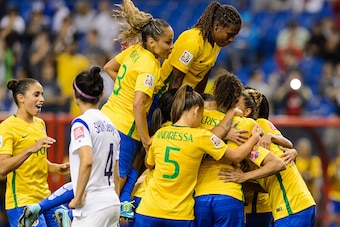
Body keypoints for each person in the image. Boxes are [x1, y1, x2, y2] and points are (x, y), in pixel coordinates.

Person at [134, 84, 263, 226]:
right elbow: (236, 156)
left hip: (149, 209)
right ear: (196, 111)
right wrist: (255, 138)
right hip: (179, 214)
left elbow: (149, 163)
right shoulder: (201, 136)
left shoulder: (160, 134)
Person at [100, 0, 174, 219]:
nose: (171, 46)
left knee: (101, 176)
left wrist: (127, 87)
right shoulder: (150, 64)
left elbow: (109, 67)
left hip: (106, 117)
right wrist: (146, 139)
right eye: (168, 42)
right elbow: (138, 104)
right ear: (152, 42)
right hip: (124, 128)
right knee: (115, 183)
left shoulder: (133, 51)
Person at [195, 69, 286, 227]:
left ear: (216, 93)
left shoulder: (201, 118)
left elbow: (199, 139)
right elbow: (264, 153)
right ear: (237, 98)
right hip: (229, 193)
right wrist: (258, 138)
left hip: (200, 194)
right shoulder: (249, 124)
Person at [0, 78, 69, 227]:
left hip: (44, 198)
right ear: (21, 98)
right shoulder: (7, 127)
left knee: (67, 221)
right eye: (36, 95)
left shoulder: (40, 123)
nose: (42, 99)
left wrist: (57, 168)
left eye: (42, 94)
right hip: (22, 201)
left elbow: (38, 160)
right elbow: (2, 168)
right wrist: (30, 149)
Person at [67, 66, 121, 226]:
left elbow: (87, 160)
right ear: (101, 95)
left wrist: (77, 198)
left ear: (75, 94)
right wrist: (114, 202)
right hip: (112, 201)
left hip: (92, 204)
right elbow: (116, 173)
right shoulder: (111, 125)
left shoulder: (81, 123)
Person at [158, 1, 242, 95]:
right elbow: (176, 80)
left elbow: (203, 77)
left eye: (234, 36)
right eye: (229, 34)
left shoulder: (216, 44)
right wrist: (173, 108)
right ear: (217, 26)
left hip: (185, 97)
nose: (232, 39)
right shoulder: (192, 41)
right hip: (164, 95)